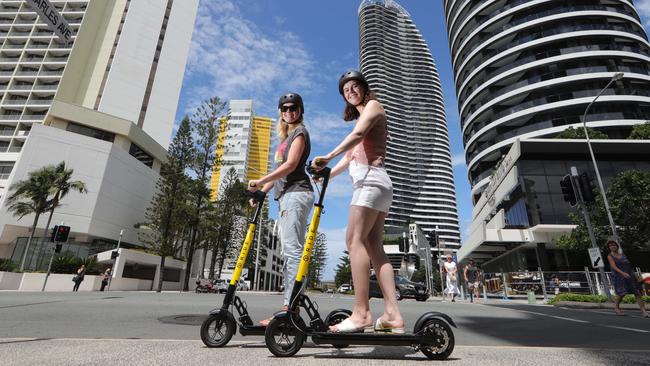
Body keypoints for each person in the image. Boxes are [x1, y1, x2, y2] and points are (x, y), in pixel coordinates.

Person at [312, 70, 404, 333]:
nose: (350, 91)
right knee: (375, 246)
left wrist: (327, 155)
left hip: (370, 182)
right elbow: (350, 157)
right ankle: (392, 314)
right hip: (377, 184)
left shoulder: (373, 106)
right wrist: (327, 172)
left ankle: (361, 313)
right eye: (345, 90)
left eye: (354, 87)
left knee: (354, 240)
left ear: (364, 89)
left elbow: (357, 136)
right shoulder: (362, 117)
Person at [247, 92, 314, 327]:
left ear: (300, 110)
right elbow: (278, 176)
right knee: (289, 252)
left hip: (296, 194)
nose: (289, 112)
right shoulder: (284, 140)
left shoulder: (299, 133)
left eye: (293, 108)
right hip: (287, 197)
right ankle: (290, 306)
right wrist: (260, 192)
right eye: (284, 109)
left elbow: (291, 166)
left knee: (293, 252)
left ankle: (290, 309)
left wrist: (260, 179)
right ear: (280, 112)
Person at [606, 240, 648, 317]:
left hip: (630, 275)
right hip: (619, 277)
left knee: (637, 293)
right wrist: (623, 273)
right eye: (611, 246)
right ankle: (616, 307)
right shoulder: (610, 256)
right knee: (621, 294)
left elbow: (629, 266)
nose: (613, 246)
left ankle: (644, 311)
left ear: (617, 246)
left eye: (614, 245)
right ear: (609, 248)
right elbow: (613, 267)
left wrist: (635, 275)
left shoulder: (623, 255)